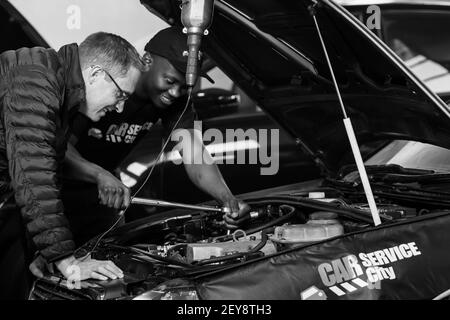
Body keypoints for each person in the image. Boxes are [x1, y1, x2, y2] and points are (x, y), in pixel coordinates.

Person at [64, 26, 250, 244]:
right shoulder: (107, 87)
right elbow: (58, 148)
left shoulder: (175, 101)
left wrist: (227, 200)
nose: (174, 93)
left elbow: (194, 154)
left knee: (107, 258)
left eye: (184, 86)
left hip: (104, 195)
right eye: (170, 81)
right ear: (148, 61)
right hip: (58, 188)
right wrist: (99, 174)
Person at [0, 31, 145, 299]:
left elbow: (34, 180)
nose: (121, 108)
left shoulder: (56, 90)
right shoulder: (34, 80)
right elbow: (35, 178)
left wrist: (45, 251)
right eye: (120, 94)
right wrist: (68, 262)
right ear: (95, 74)